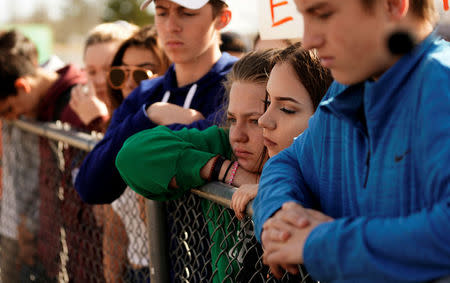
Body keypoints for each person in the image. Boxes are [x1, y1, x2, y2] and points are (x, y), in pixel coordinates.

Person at [253, 0, 450, 282]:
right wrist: (280, 215)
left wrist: (321, 242)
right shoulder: (345, 89)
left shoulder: (441, 86)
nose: (308, 39)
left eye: (323, 14)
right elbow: (288, 161)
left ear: (393, 5)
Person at [115, 44, 332, 281]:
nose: (238, 134)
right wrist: (224, 170)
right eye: (231, 119)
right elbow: (131, 156)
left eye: (253, 119)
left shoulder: (326, 169)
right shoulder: (226, 146)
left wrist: (269, 191)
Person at [74, 0, 237, 205]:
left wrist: (145, 145)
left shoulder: (240, 84)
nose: (171, 26)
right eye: (161, 13)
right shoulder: (146, 94)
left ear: (222, 18)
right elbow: (91, 187)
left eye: (186, 13)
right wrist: (149, 115)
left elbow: (223, 143)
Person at [0, 29, 103, 282]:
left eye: (10, 109)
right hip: (60, 240)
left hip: (90, 243)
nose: (13, 118)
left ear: (23, 85)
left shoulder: (77, 103)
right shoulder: (43, 107)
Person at [104, 25, 170, 283]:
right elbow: (113, 227)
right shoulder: (117, 132)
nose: (130, 82)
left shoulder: (171, 137)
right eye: (121, 73)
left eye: (143, 73)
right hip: (134, 271)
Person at [70, 21, 138, 132]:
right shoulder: (79, 112)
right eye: (92, 72)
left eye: (109, 69)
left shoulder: (143, 114)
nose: (100, 80)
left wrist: (98, 121)